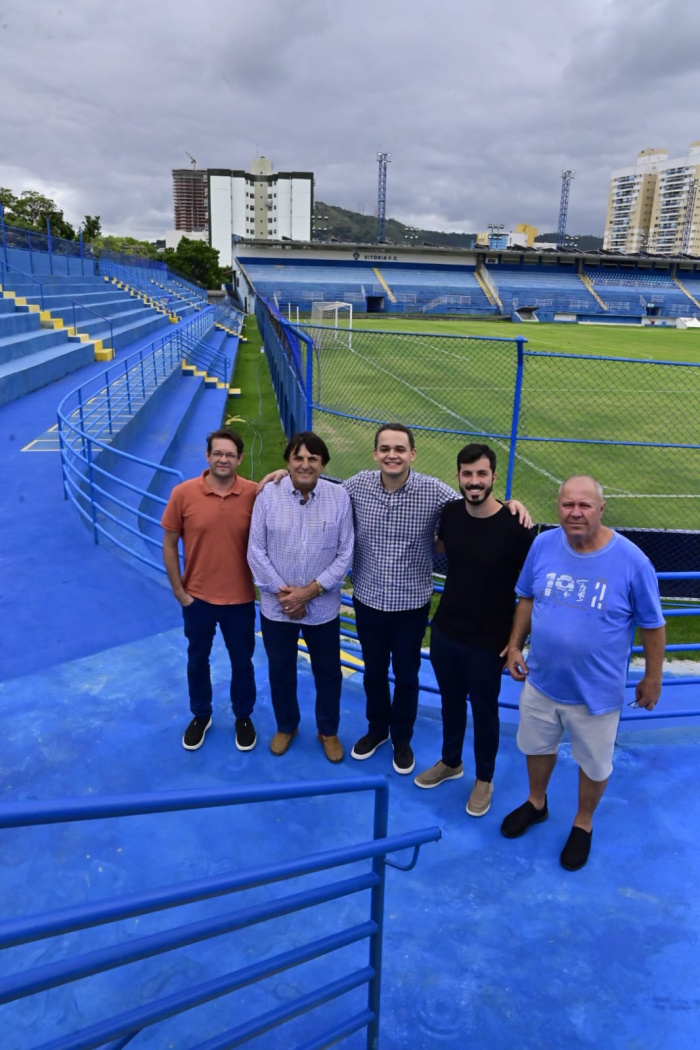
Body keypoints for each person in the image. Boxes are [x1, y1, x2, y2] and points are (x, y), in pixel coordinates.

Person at [260, 423, 530, 776]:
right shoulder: (355, 486)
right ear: (375, 454)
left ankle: (402, 739)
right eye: (385, 448)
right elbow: (317, 486)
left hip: (411, 605)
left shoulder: (435, 493)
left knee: (406, 676)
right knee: (373, 673)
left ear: (412, 454)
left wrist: (510, 503)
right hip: (369, 601)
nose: (392, 455)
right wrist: (286, 473)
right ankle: (377, 731)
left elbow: (475, 499)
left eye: (399, 449)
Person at [501, 475, 666, 871]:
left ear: (601, 509)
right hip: (541, 681)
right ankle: (536, 803)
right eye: (567, 505)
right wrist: (514, 645)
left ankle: (583, 822)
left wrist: (652, 677)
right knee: (536, 748)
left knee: (593, 764)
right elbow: (526, 597)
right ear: (558, 507)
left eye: (585, 505)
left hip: (597, 692)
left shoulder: (632, 561)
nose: (575, 512)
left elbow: (653, 625)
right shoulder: (542, 544)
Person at [414, 443, 535, 817]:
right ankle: (451, 761)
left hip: (489, 640)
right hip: (447, 631)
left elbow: (529, 593)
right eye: (467, 474)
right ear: (458, 477)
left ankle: (484, 778)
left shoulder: (518, 526)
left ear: (494, 477)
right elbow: (441, 549)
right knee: (450, 701)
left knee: (484, 711)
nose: (474, 481)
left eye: (482, 474)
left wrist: (516, 643)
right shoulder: (450, 513)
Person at [247, 432, 354, 762]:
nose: (305, 464)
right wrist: (285, 596)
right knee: (280, 669)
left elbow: (345, 553)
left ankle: (328, 730)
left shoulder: (339, 497)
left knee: (328, 672)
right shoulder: (268, 495)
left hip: (322, 606)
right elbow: (256, 550)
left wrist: (308, 592)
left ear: (323, 465)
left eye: (313, 458)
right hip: (277, 607)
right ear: (288, 462)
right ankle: (287, 725)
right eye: (298, 457)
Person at [162, 428, 258, 753]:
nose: (223, 459)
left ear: (239, 459)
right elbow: (169, 540)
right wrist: (179, 590)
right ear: (207, 455)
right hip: (198, 598)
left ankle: (243, 716)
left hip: (241, 599)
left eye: (230, 454)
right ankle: (201, 715)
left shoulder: (254, 494)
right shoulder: (183, 493)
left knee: (242, 663)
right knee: (196, 660)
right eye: (218, 453)